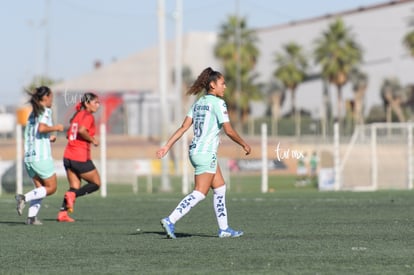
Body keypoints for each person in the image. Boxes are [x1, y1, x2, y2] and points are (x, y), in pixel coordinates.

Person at [156, 67, 251, 239]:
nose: (225, 87)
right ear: (213, 85)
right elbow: (229, 131)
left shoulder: (198, 103)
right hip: (206, 153)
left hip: (197, 152)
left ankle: (224, 229)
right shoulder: (218, 103)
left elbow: (183, 127)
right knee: (200, 192)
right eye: (222, 83)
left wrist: (167, 146)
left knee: (220, 187)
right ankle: (171, 219)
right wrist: (244, 144)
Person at [15, 86, 64, 225]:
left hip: (29, 158)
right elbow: (42, 128)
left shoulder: (32, 114)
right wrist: (57, 128)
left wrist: (48, 138)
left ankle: (31, 218)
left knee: (40, 190)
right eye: (51, 98)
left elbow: (35, 134)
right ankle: (23, 197)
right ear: (46, 97)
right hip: (41, 157)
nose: (52, 101)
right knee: (52, 188)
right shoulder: (45, 110)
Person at [56, 92, 101, 222]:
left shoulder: (77, 115)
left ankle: (62, 214)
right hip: (80, 156)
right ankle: (72, 195)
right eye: (96, 102)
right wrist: (92, 140)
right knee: (96, 183)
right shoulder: (87, 115)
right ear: (87, 103)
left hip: (68, 156)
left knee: (74, 186)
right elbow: (81, 130)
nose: (98, 105)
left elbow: (68, 134)